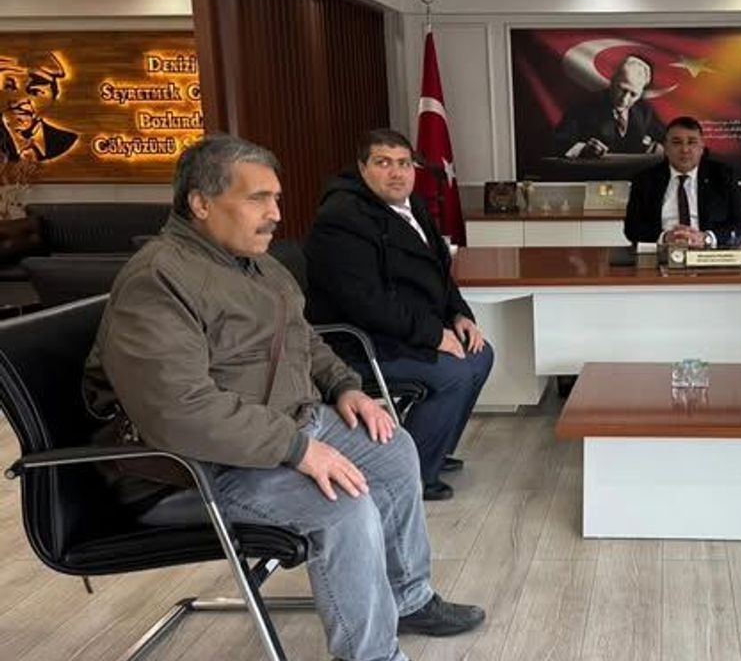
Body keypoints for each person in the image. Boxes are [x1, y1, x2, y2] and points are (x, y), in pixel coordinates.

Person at [82, 135, 485, 661]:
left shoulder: (257, 264)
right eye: (258, 199)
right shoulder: (158, 281)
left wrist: (345, 386)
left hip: (284, 427)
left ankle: (407, 600)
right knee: (343, 507)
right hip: (198, 465)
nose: (275, 214)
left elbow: (304, 338)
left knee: (392, 450)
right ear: (200, 203)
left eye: (275, 198)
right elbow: (180, 410)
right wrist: (298, 449)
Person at [305, 129, 494, 502]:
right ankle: (413, 475)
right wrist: (434, 335)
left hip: (402, 333)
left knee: (480, 354)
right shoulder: (342, 218)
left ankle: (435, 450)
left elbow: (438, 273)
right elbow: (366, 303)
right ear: (362, 168)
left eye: (404, 163)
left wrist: (458, 314)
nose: (396, 173)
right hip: (361, 344)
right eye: (383, 163)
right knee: (453, 373)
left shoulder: (411, 205)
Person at [624, 116, 741, 247]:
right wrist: (665, 238)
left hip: (708, 253)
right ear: (666, 148)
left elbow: (740, 225)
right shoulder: (645, 180)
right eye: (677, 142)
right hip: (663, 252)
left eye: (691, 142)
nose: (684, 149)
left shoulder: (724, 176)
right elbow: (632, 229)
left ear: (701, 147)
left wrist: (706, 238)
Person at [553, 54, 665, 159]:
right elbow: (559, 142)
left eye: (633, 94)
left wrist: (658, 148)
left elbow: (667, 139)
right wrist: (583, 149)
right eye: (622, 90)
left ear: (641, 93)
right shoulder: (584, 107)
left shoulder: (644, 111)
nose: (624, 99)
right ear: (613, 81)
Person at [0, 51, 78, 162]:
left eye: (35, 92)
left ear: (54, 96)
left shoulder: (65, 140)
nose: (21, 100)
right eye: (9, 88)